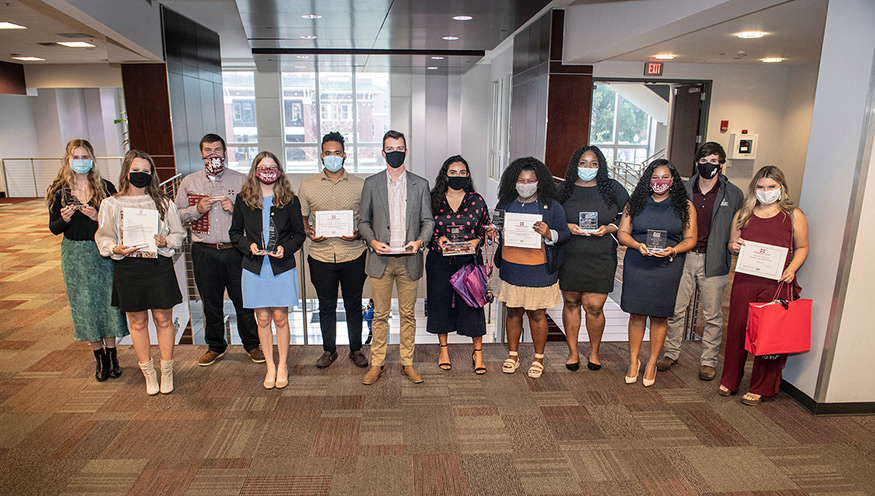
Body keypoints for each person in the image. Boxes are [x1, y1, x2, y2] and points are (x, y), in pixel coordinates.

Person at [95, 150, 185, 395]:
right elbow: (104, 237)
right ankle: (148, 372)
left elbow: (179, 235)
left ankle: (167, 371)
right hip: (128, 267)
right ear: (126, 172)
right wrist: (115, 248)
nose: (140, 175)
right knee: (137, 321)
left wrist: (165, 241)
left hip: (158, 266)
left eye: (146, 171)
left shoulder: (164, 203)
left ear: (152, 174)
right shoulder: (111, 204)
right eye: (136, 171)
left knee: (164, 320)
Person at [720, 166, 809, 406]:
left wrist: (791, 269)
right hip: (745, 281)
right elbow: (731, 243)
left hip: (776, 283)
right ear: (754, 189)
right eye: (761, 187)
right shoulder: (743, 214)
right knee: (738, 328)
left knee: (768, 333)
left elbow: (802, 247)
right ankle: (730, 379)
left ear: (781, 189)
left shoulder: (793, 216)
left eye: (771, 187)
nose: (765, 191)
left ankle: (761, 385)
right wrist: (734, 247)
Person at [175, 133, 261, 367]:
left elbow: (255, 216)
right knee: (210, 301)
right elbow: (176, 216)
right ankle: (215, 346)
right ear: (201, 154)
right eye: (208, 151)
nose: (213, 155)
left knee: (243, 300)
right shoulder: (189, 182)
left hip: (235, 251)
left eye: (217, 150)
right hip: (204, 250)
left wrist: (235, 210)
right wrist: (196, 209)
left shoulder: (241, 181)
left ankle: (251, 344)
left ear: (225, 153)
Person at [659, 142, 744, 380]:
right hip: (683, 257)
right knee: (675, 310)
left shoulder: (733, 194)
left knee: (712, 315)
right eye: (704, 161)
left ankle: (708, 361)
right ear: (697, 163)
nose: (709, 166)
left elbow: (740, 225)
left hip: (714, 260)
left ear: (722, 164)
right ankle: (671, 353)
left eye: (714, 161)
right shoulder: (683, 190)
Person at [47, 139, 128, 382]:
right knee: (85, 305)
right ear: (67, 160)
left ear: (91, 159)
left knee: (108, 303)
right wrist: (64, 219)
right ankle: (99, 358)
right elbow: (53, 228)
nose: (80, 162)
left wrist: (97, 217)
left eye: (85, 157)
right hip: (75, 256)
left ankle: (113, 355)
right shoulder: (58, 190)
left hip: (102, 252)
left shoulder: (106, 188)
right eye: (76, 157)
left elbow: (119, 225)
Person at [357, 130, 434, 385]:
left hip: (409, 260)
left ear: (406, 151)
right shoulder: (371, 183)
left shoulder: (420, 184)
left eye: (399, 148)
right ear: (383, 153)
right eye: (390, 149)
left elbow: (428, 221)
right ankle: (376, 364)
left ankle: (407, 363)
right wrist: (372, 241)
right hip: (380, 260)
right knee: (379, 315)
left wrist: (420, 241)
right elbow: (362, 221)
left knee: (408, 315)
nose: (395, 152)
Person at [229, 151, 306, 390]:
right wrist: (248, 246)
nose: (268, 171)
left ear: (279, 171)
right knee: (262, 318)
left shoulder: (290, 200)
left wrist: (285, 248)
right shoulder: (243, 199)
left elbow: (299, 234)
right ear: (255, 171)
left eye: (272, 167)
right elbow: (234, 233)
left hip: (280, 267)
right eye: (263, 167)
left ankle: (282, 365)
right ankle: (270, 367)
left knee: (280, 318)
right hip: (254, 268)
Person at [617, 159, 696, 387]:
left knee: (660, 316)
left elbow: (691, 238)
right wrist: (636, 245)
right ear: (647, 180)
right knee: (637, 314)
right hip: (638, 262)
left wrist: (674, 249)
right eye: (655, 177)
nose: (659, 181)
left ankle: (651, 362)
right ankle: (634, 362)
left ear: (673, 180)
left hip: (667, 265)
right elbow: (623, 232)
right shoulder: (636, 203)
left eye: (664, 177)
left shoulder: (684, 206)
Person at [298, 132, 368, 369]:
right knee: (326, 305)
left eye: (337, 153)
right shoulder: (307, 186)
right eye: (328, 153)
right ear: (321, 156)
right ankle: (329, 350)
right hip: (321, 255)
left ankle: (356, 349)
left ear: (344, 155)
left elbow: (367, 219)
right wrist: (310, 233)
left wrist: (358, 233)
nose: (332, 157)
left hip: (354, 254)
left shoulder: (360, 185)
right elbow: (303, 219)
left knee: (353, 304)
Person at [496, 157, 570, 379]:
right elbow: (496, 227)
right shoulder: (505, 204)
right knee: (513, 312)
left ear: (539, 182)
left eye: (530, 180)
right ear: (513, 181)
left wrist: (549, 234)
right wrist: (493, 231)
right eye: (521, 180)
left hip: (539, 269)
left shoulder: (551, 207)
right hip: (511, 267)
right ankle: (513, 355)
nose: (525, 184)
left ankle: (538, 359)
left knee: (537, 314)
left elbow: (564, 234)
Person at [556, 145, 629, 371]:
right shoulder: (562, 190)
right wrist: (567, 227)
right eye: (583, 163)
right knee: (571, 302)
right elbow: (550, 219)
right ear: (575, 165)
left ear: (601, 167)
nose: (588, 168)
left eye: (594, 164)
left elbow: (626, 216)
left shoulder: (613, 189)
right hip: (570, 253)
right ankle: (573, 352)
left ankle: (595, 352)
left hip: (601, 255)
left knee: (594, 306)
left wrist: (610, 228)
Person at [426, 155, 491, 374]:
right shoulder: (433, 198)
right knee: (440, 304)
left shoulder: (477, 200)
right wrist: (437, 239)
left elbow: (485, 228)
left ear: (468, 175)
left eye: (462, 172)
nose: (458, 176)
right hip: (439, 261)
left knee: (473, 305)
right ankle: (443, 349)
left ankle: (478, 353)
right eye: (453, 172)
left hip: (468, 262)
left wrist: (476, 240)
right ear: (445, 174)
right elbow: (424, 226)